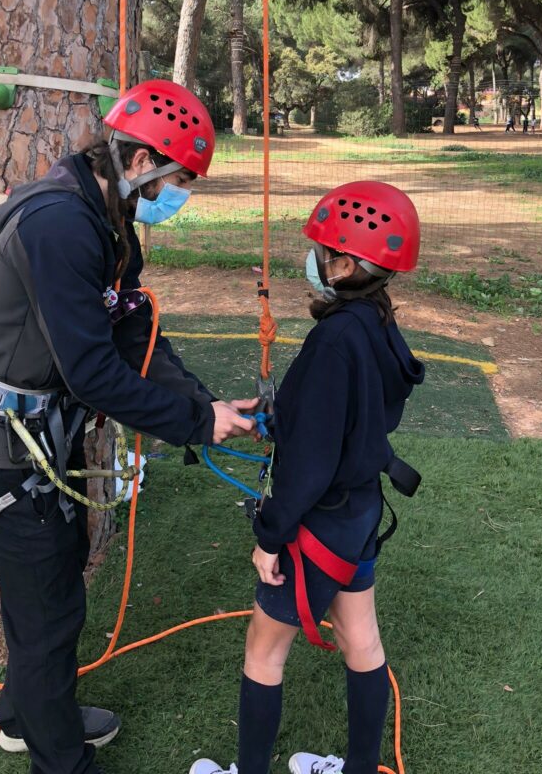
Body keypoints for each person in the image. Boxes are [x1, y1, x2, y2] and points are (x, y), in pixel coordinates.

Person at [0, 79, 256, 774]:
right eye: (176, 179)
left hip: (37, 439)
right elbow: (93, 373)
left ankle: (25, 715)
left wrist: (204, 405)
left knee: (53, 593)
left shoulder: (106, 219)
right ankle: (61, 758)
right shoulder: (61, 225)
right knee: (49, 609)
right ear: (139, 161)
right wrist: (194, 423)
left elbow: (134, 330)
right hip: (2, 446)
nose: (178, 195)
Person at [190, 180, 425, 774]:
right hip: (358, 511)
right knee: (361, 639)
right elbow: (350, 413)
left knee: (264, 651)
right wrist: (283, 417)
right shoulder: (376, 322)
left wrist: (270, 537)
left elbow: (310, 465)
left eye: (322, 252)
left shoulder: (333, 342)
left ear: (345, 265)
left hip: (319, 523)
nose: (312, 262)